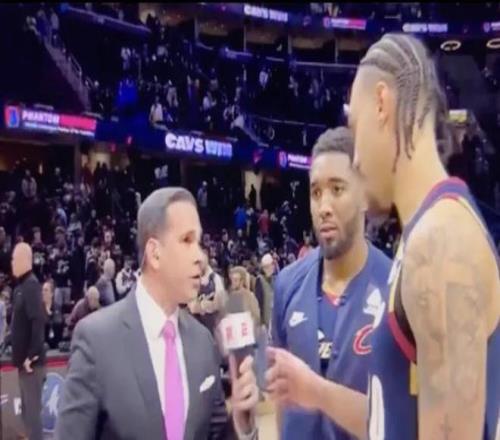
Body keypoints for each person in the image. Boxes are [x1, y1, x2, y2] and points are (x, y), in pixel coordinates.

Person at [268, 34, 500, 440]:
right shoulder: (426, 233)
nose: (356, 159)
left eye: (356, 130)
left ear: (382, 104)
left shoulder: (440, 242)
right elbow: (396, 417)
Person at [56, 188, 259, 440]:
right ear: (155, 253)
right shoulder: (96, 340)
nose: (201, 256)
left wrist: (240, 422)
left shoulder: (202, 342)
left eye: (199, 242)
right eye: (187, 240)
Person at [268, 127, 392, 440]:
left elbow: (399, 422)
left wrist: (318, 392)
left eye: (337, 189)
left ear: (364, 197)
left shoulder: (394, 287)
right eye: (316, 193)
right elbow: (281, 400)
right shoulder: (287, 284)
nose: (324, 207)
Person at [10, 243, 46, 440]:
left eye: (14, 259)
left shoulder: (31, 285)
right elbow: (19, 324)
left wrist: (31, 356)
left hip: (31, 365)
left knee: (32, 418)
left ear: (25, 260)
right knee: (26, 414)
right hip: (22, 365)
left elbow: (38, 321)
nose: (12, 262)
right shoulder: (20, 288)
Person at [188, 251, 226, 335]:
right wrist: (207, 305)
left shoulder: (216, 278)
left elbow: (220, 304)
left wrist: (202, 305)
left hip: (214, 326)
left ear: (207, 260)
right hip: (196, 325)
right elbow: (192, 307)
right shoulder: (192, 279)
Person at [254, 253, 275, 328]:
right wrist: (261, 321)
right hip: (266, 319)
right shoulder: (260, 280)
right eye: (266, 267)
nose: (269, 268)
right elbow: (258, 302)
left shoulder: (274, 279)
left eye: (271, 265)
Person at [42, 280, 64, 350]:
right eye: (42, 290)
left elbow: (61, 324)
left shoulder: (58, 308)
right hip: (43, 347)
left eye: (46, 290)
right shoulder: (38, 309)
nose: (43, 293)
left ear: (52, 293)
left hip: (56, 346)